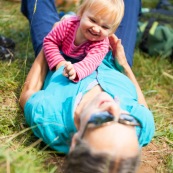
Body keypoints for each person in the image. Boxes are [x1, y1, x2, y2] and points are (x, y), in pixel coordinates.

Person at [20, 0, 155, 172]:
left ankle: (67, 18)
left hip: (62, 55)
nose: (113, 107)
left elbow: (28, 93)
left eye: (101, 120)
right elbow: (143, 107)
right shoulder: (140, 129)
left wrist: (51, 39)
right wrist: (124, 65)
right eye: (126, 119)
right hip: (112, 59)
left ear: (76, 141)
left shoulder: (50, 119)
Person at [43, 0, 124, 82]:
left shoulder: (101, 44)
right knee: (64, 20)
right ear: (81, 13)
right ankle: (66, 15)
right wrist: (58, 62)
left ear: (111, 31)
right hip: (66, 46)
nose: (96, 29)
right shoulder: (68, 25)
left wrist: (75, 70)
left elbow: (90, 63)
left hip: (82, 59)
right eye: (93, 20)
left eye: (104, 27)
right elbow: (50, 41)